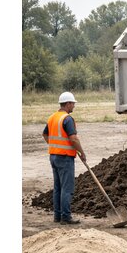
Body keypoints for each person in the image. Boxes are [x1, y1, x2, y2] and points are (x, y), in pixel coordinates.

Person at [43, 92, 87, 225]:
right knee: (67, 188)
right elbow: (73, 139)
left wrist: (55, 146)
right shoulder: (67, 119)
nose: (74, 106)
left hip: (54, 156)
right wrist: (82, 152)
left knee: (58, 187)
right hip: (65, 158)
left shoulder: (52, 117)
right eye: (73, 103)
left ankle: (57, 216)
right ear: (67, 104)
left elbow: (45, 134)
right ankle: (66, 217)